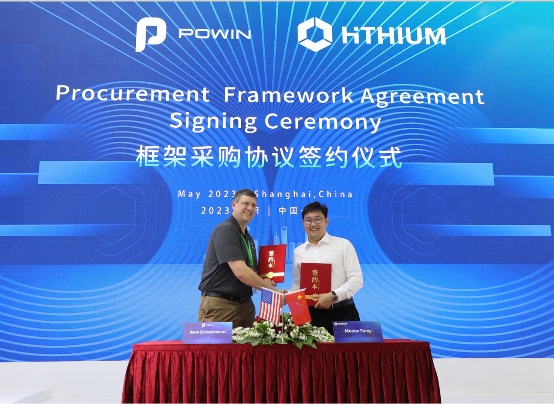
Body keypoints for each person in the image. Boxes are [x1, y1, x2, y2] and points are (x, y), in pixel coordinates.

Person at [198, 188, 284, 328]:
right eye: (245, 203)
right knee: (217, 344)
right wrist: (274, 292)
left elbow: (249, 272)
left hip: (245, 305)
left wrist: (265, 280)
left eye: (253, 205)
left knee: (249, 343)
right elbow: (241, 272)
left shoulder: (247, 237)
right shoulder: (225, 231)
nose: (250, 208)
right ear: (233, 204)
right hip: (221, 306)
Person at [288, 201, 363, 335]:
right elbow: (298, 284)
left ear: (326, 221)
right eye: (308, 220)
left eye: (318, 219)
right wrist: (287, 297)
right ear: (303, 223)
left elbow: (356, 280)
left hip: (343, 311)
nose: (313, 224)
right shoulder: (298, 252)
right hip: (311, 314)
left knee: (350, 349)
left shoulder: (343, 245)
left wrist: (333, 296)